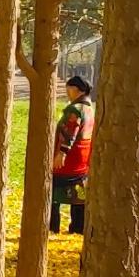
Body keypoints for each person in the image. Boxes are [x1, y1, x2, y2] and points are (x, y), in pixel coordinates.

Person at [49, 74, 93, 234]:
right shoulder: (90, 108)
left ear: (75, 89)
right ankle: (78, 227)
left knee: (52, 192)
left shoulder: (75, 109)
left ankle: (51, 226)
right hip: (83, 158)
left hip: (70, 158)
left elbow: (70, 132)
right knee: (80, 195)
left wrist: (62, 152)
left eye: (68, 88)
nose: (67, 92)